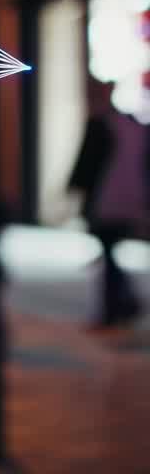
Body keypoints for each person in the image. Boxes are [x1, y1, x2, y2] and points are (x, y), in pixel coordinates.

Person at [67, 79, 144, 328]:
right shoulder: (129, 124)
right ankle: (124, 303)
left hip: (106, 200)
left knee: (108, 254)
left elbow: (87, 164)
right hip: (124, 200)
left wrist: (75, 188)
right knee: (109, 253)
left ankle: (118, 306)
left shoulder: (102, 125)